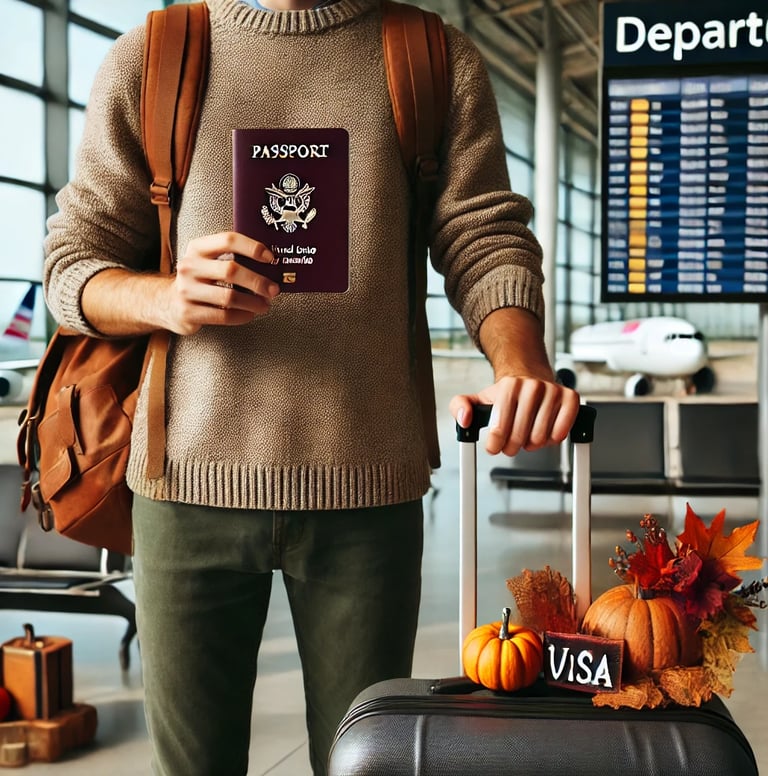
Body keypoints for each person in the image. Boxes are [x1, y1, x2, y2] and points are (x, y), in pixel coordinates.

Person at [43, 0, 580, 773]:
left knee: (366, 760)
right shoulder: (155, 56)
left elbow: (484, 233)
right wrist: (165, 296)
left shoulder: (429, 58)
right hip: (184, 483)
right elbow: (71, 264)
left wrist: (519, 360)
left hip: (368, 488)